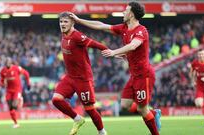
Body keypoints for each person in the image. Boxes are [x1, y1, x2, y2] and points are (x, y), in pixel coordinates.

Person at [70, 2, 161, 135]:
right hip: (134, 75)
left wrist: (114, 52)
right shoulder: (124, 28)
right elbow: (101, 26)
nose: (123, 12)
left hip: (144, 75)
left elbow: (133, 46)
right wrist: (78, 20)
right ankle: (153, 113)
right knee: (125, 104)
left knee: (142, 109)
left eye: (126, 10)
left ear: (132, 14)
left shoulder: (141, 30)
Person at [52, 12, 108, 135]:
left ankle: (102, 132)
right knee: (56, 99)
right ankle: (77, 119)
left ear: (72, 23)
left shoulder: (77, 36)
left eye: (66, 21)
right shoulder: (63, 34)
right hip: (70, 77)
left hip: (83, 79)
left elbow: (94, 44)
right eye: (61, 22)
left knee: (90, 110)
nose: (62, 24)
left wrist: (110, 51)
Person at [0, 58, 30, 128]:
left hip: (17, 90)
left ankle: (20, 99)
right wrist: (0, 83)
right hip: (9, 91)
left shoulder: (16, 68)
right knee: (11, 109)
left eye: (8, 62)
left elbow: (26, 74)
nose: (7, 63)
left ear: (11, 62)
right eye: (6, 62)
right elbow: (2, 81)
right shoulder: (3, 71)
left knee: (14, 105)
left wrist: (28, 83)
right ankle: (16, 123)